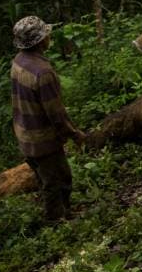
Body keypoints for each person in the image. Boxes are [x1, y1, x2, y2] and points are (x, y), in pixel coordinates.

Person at [10, 16, 87, 220]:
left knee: (47, 179)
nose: (49, 36)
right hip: (42, 140)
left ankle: (63, 214)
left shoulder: (18, 61)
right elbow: (56, 114)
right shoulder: (43, 72)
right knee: (58, 181)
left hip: (24, 134)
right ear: (39, 41)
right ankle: (57, 222)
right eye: (46, 34)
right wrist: (75, 134)